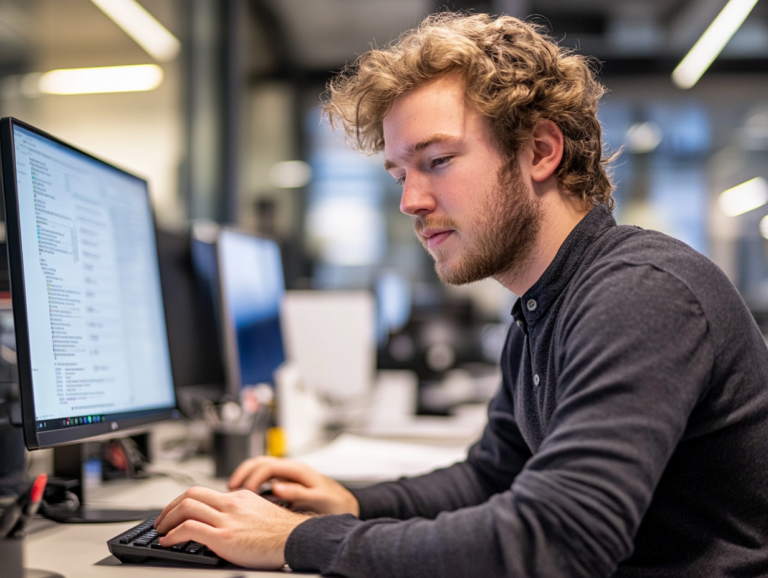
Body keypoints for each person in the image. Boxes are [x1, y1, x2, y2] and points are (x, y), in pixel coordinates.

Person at [154, 12, 768, 577]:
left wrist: (298, 539)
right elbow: (493, 477)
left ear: (540, 151)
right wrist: (352, 501)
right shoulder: (543, 304)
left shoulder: (640, 293)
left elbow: (559, 539)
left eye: (439, 160)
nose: (410, 202)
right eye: (400, 174)